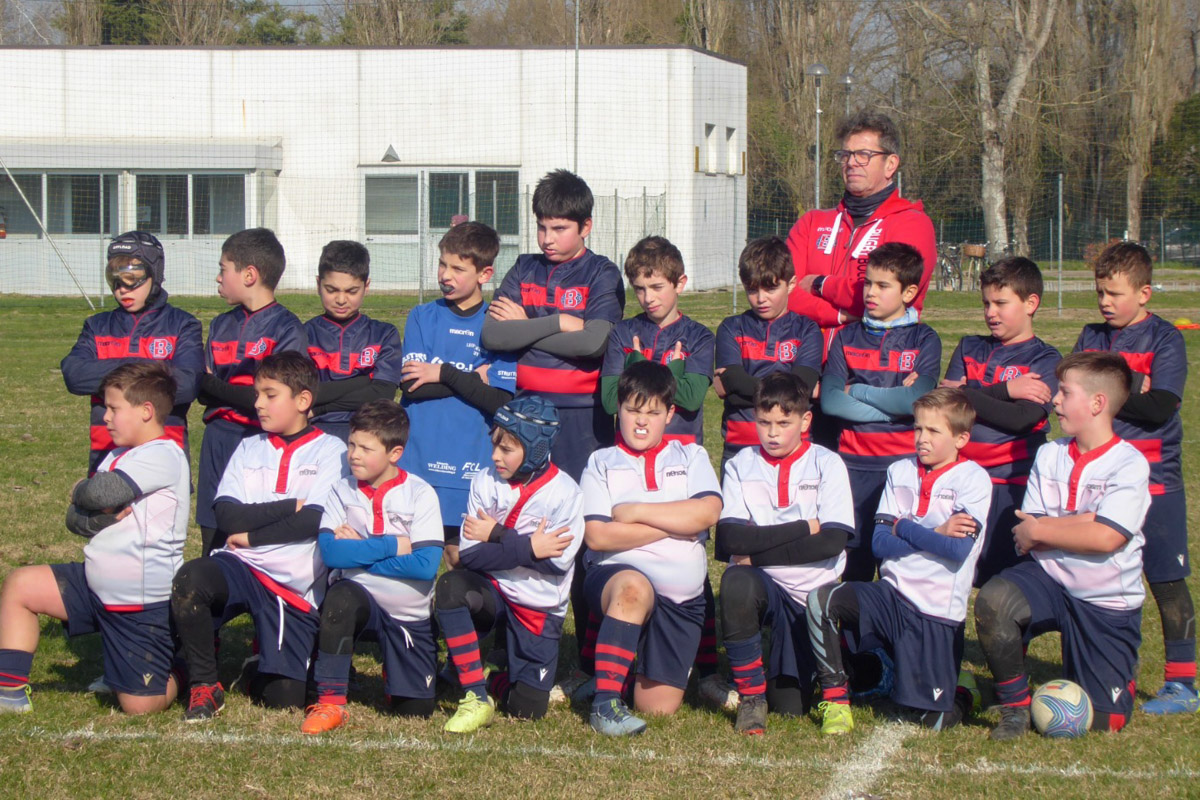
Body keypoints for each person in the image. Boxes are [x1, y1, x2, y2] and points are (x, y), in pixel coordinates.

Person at [975, 352, 1150, 739]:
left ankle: (1117, 674)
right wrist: (1088, 520)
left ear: (1097, 403)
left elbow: (1107, 539)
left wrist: (1051, 529)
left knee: (1105, 723)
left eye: (1065, 393)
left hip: (1105, 597)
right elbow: (1028, 529)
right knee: (994, 599)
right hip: (1050, 577)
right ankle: (1014, 707)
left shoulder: (1129, 464)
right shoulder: (1050, 453)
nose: (1054, 400)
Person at [0, 362, 188, 715]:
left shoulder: (163, 454)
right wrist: (90, 512)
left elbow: (99, 495)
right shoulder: (117, 455)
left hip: (138, 602)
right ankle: (8, 691)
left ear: (147, 411)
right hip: (93, 583)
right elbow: (76, 519)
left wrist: (81, 492)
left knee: (139, 707)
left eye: (114, 408)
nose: (105, 417)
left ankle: (184, 662)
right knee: (20, 585)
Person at [171, 352, 346, 721]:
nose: (257, 404)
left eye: (269, 394)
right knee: (192, 579)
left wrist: (249, 536)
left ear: (302, 400)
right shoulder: (250, 446)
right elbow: (227, 514)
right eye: (257, 394)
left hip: (292, 587)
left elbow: (314, 520)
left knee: (284, 697)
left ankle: (256, 665)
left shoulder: (332, 450)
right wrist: (287, 507)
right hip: (240, 565)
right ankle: (204, 682)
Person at [807, 387, 991, 735]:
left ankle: (963, 690)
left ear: (961, 438)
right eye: (918, 428)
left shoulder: (974, 479)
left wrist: (903, 526)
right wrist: (935, 531)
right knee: (823, 600)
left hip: (935, 609)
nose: (922, 438)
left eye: (934, 431)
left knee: (930, 721)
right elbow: (879, 544)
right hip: (891, 594)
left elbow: (956, 551)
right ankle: (835, 699)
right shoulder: (900, 470)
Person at [1073, 242, 1196, 714]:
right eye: (1099, 292)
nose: (1104, 302)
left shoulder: (1166, 339)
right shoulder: (1090, 334)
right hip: (1097, 478)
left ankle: (1182, 684)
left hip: (1155, 479)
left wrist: (1110, 386)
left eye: (1114, 293)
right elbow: (1080, 399)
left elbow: (1161, 406)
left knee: (1166, 580)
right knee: (1094, 575)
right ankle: (1099, 669)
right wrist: (1131, 385)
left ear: (1144, 293)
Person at [580, 361, 722, 736]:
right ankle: (606, 704)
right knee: (633, 587)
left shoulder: (691, 456)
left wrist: (636, 512)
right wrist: (674, 526)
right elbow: (598, 536)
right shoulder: (601, 462)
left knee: (656, 707)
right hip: (616, 577)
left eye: (653, 413)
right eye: (632, 410)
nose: (641, 422)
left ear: (670, 414)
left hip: (682, 600)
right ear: (619, 408)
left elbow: (708, 512)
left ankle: (616, 663)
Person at [715, 372, 854, 734]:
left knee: (790, 707)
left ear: (806, 420)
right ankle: (750, 697)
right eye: (764, 422)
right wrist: (804, 526)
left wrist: (758, 553)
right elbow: (730, 540)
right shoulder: (740, 463)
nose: (772, 433)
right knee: (735, 580)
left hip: (813, 598)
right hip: (765, 587)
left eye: (783, 423)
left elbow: (831, 542)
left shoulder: (827, 463)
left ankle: (826, 679)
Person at [434, 395, 583, 733]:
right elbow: (469, 555)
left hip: (539, 605)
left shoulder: (566, 493)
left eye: (507, 449)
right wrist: (531, 546)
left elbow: (556, 565)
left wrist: (497, 533)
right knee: (452, 586)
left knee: (528, 710)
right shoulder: (485, 480)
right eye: (495, 445)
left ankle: (493, 679)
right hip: (495, 592)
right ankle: (474, 694)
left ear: (535, 449)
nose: (494, 456)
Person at [300, 400, 444, 734]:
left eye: (366, 448)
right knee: (341, 597)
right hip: (359, 603)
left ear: (395, 453)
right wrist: (393, 544)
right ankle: (330, 702)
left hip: (409, 616)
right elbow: (332, 555)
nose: (354, 454)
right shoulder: (340, 490)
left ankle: (396, 670)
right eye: (351, 444)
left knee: (415, 711)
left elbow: (425, 566)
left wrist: (357, 552)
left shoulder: (421, 494)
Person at [480, 169, 625, 482]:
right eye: (542, 227)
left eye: (559, 228)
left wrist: (524, 329)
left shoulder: (602, 273)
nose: (547, 239)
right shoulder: (524, 267)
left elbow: (592, 343)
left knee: (583, 512)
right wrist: (558, 322)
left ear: (586, 225)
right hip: (522, 411)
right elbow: (492, 334)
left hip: (582, 416)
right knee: (524, 512)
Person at [820, 242, 941, 582]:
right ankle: (850, 637)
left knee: (901, 568)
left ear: (910, 292)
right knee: (853, 569)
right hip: (852, 467)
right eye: (868, 283)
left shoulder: (925, 339)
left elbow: (916, 401)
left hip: (903, 469)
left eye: (882, 285)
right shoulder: (846, 337)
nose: (870, 292)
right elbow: (830, 402)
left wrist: (857, 390)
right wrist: (897, 406)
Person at [398, 221, 517, 568]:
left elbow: (500, 402)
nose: (445, 275)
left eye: (458, 268)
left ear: (485, 274)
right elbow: (412, 387)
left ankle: (457, 623)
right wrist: (472, 380)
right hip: (418, 459)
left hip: (470, 463)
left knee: (457, 556)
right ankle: (412, 623)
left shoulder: (498, 326)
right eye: (442, 264)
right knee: (412, 554)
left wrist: (443, 372)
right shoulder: (422, 316)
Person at [941, 257, 1061, 585]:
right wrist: (1007, 389)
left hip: (1012, 487)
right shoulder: (969, 347)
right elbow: (949, 408)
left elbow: (1022, 418)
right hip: (962, 484)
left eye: (1001, 303)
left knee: (1005, 589)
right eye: (986, 303)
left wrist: (968, 392)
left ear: (1031, 303)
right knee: (951, 579)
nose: (990, 312)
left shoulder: (1046, 359)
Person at [196, 228, 307, 555]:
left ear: (249, 275)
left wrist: (219, 388)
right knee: (212, 535)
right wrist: (231, 390)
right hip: (217, 437)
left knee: (255, 536)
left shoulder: (287, 329)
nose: (218, 278)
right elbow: (201, 389)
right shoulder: (219, 325)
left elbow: (274, 401)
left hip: (258, 440)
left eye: (223, 269)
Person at [786, 110, 936, 341]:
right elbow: (783, 292)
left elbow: (888, 297)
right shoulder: (812, 222)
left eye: (863, 155)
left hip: (876, 365)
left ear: (890, 164)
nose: (851, 163)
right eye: (845, 155)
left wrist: (820, 284)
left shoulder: (912, 224)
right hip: (805, 364)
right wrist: (838, 315)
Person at [61, 231, 203, 475]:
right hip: (106, 449)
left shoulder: (183, 325)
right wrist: (145, 367)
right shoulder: (97, 326)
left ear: (155, 275)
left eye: (133, 278)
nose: (123, 289)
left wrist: (111, 374)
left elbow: (188, 384)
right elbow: (74, 375)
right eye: (115, 280)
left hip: (164, 449)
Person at [714, 236, 822, 468]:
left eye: (771, 288)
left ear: (791, 284)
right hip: (739, 446)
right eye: (752, 290)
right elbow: (732, 379)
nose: (761, 298)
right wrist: (790, 389)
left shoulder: (807, 330)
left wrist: (737, 390)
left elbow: (801, 386)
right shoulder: (731, 327)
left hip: (795, 450)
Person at [304, 240, 403, 442]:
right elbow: (304, 393)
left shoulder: (383, 334)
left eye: (351, 291)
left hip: (368, 435)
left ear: (366, 286)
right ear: (318, 284)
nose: (341, 300)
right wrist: (365, 380)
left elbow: (382, 392)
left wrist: (322, 407)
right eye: (332, 290)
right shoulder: (303, 334)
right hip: (313, 433)